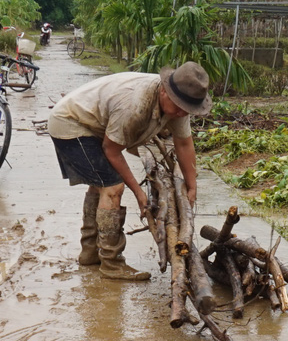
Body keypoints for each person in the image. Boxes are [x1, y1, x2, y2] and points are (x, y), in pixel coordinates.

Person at [46, 62, 211, 282]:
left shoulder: (179, 102)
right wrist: (139, 193)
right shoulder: (135, 105)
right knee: (113, 187)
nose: (182, 113)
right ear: (164, 90)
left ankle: (90, 253)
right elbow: (112, 150)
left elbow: (183, 144)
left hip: (92, 125)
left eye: (186, 109)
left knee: (100, 183)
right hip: (71, 124)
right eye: (179, 106)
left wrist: (192, 186)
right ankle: (112, 262)